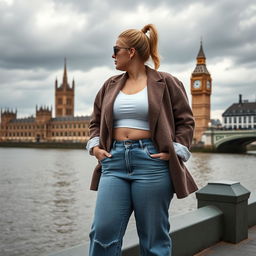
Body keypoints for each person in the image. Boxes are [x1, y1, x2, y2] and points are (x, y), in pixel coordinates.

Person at [86, 24, 198, 256]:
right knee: (102, 234)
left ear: (132, 52)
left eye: (116, 49)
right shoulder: (110, 85)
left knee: (153, 239)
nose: (113, 55)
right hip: (114, 162)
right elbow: (95, 121)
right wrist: (95, 147)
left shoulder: (166, 82)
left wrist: (175, 151)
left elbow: (186, 121)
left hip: (152, 162)